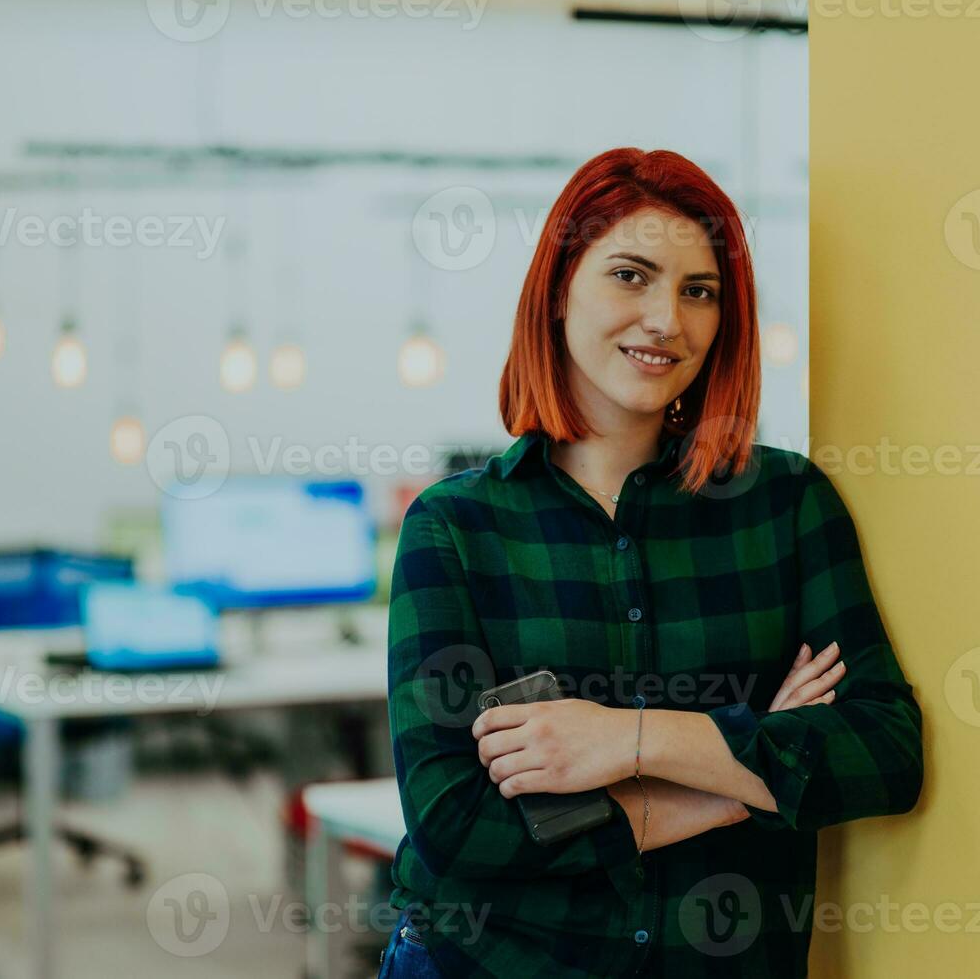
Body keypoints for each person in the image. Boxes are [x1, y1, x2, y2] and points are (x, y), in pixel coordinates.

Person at [378, 147, 924, 978]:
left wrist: (625, 740)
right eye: (630, 276)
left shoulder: (784, 505)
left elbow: (883, 751)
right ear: (559, 288)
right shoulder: (455, 528)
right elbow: (455, 825)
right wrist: (733, 783)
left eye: (697, 291)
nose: (667, 319)